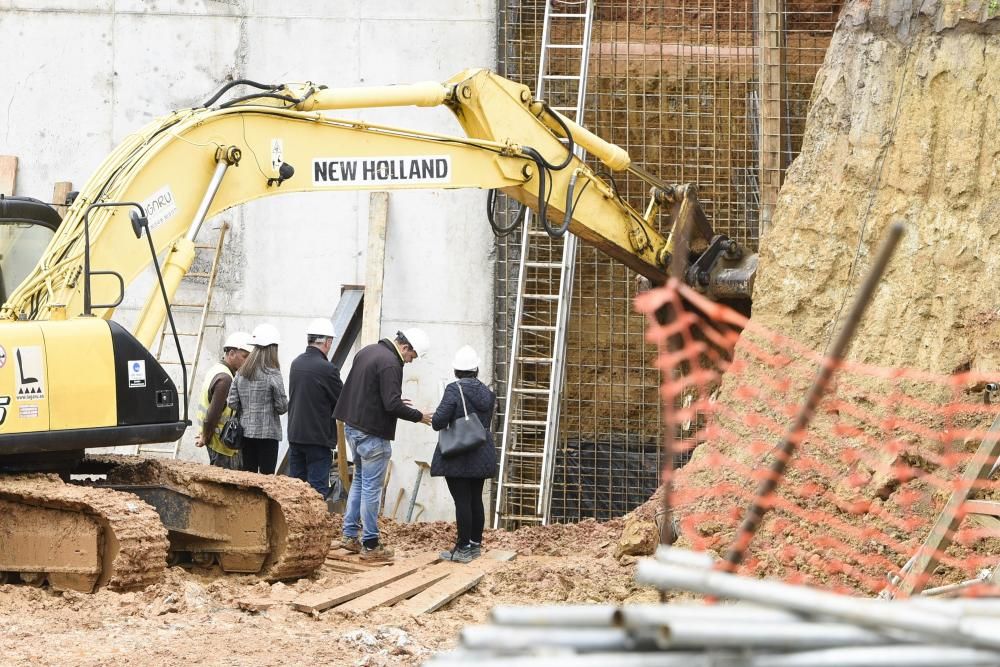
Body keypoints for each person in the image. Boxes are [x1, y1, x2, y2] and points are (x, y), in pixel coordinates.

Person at [334, 328, 433, 561]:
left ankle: (349, 536)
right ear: (406, 347)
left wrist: (396, 401)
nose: (410, 361)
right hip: (373, 434)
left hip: (353, 427)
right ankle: (370, 544)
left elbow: (367, 391)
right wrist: (419, 415)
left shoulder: (368, 351)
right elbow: (391, 405)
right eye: (412, 356)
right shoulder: (391, 363)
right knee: (371, 487)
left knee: (359, 481)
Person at [430, 345, 496, 563]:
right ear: (476, 368)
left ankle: (463, 548)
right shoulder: (488, 392)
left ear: (456, 370)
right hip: (481, 451)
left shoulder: (453, 389)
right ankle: (475, 545)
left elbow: (439, 421)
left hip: (458, 453)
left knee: (462, 501)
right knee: (476, 499)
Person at [287, 317, 343, 498]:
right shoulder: (327, 369)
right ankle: (312, 527)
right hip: (317, 440)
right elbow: (341, 401)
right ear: (328, 342)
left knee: (296, 490)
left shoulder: (296, 363)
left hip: (296, 436)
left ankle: (294, 526)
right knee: (317, 492)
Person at [227, 323, 288, 475]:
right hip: (268, 435)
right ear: (272, 349)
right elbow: (282, 408)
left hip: (246, 433)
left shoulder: (241, 373)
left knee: (249, 478)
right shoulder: (273, 374)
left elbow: (232, 402)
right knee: (267, 479)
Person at [194, 331, 252, 470]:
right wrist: (205, 438)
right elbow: (212, 415)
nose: (248, 361)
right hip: (223, 444)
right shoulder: (225, 379)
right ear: (231, 353)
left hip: (216, 440)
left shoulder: (216, 370)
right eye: (245, 357)